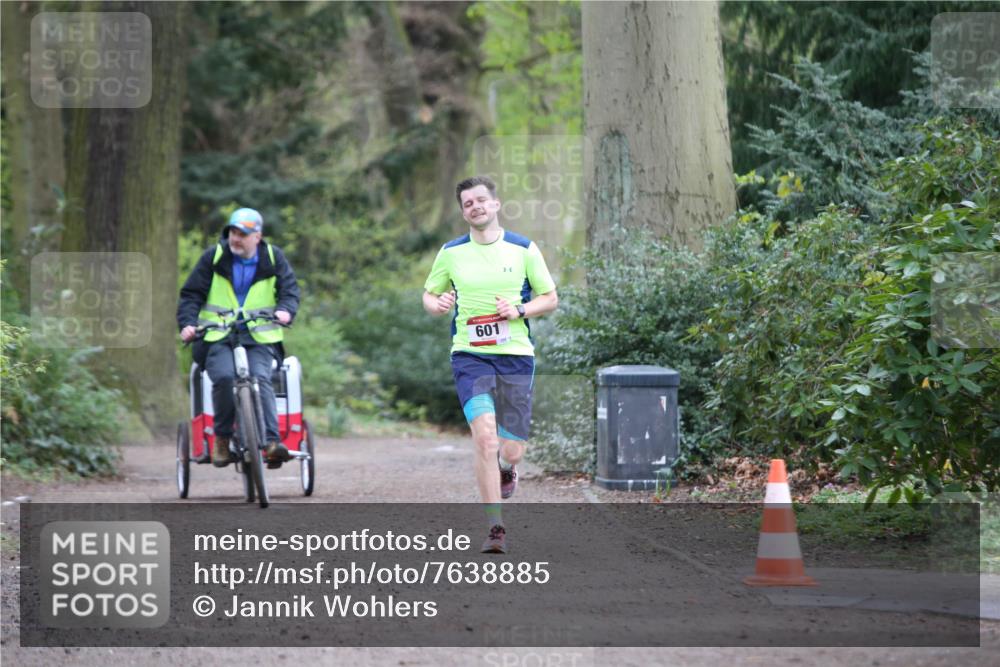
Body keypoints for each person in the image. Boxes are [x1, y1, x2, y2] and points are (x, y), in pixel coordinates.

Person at [423, 176, 558, 553]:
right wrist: (437, 304)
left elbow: (550, 297)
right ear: (463, 212)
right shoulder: (451, 252)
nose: (476, 207)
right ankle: (495, 527)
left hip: (516, 355)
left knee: (512, 449)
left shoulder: (523, 248)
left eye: (481, 200)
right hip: (471, 356)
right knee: (484, 437)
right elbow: (429, 295)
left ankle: (508, 468)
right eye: (468, 203)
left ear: (495, 204)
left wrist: (519, 310)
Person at [177, 208, 300, 469]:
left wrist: (285, 311)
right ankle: (222, 440)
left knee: (261, 377)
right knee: (224, 377)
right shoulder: (214, 257)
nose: (235, 238)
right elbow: (191, 294)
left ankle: (271, 442)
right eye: (233, 232)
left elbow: (289, 290)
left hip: (259, 335)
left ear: (257, 236)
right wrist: (187, 323)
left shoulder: (272, 257)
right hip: (218, 335)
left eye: (242, 234)